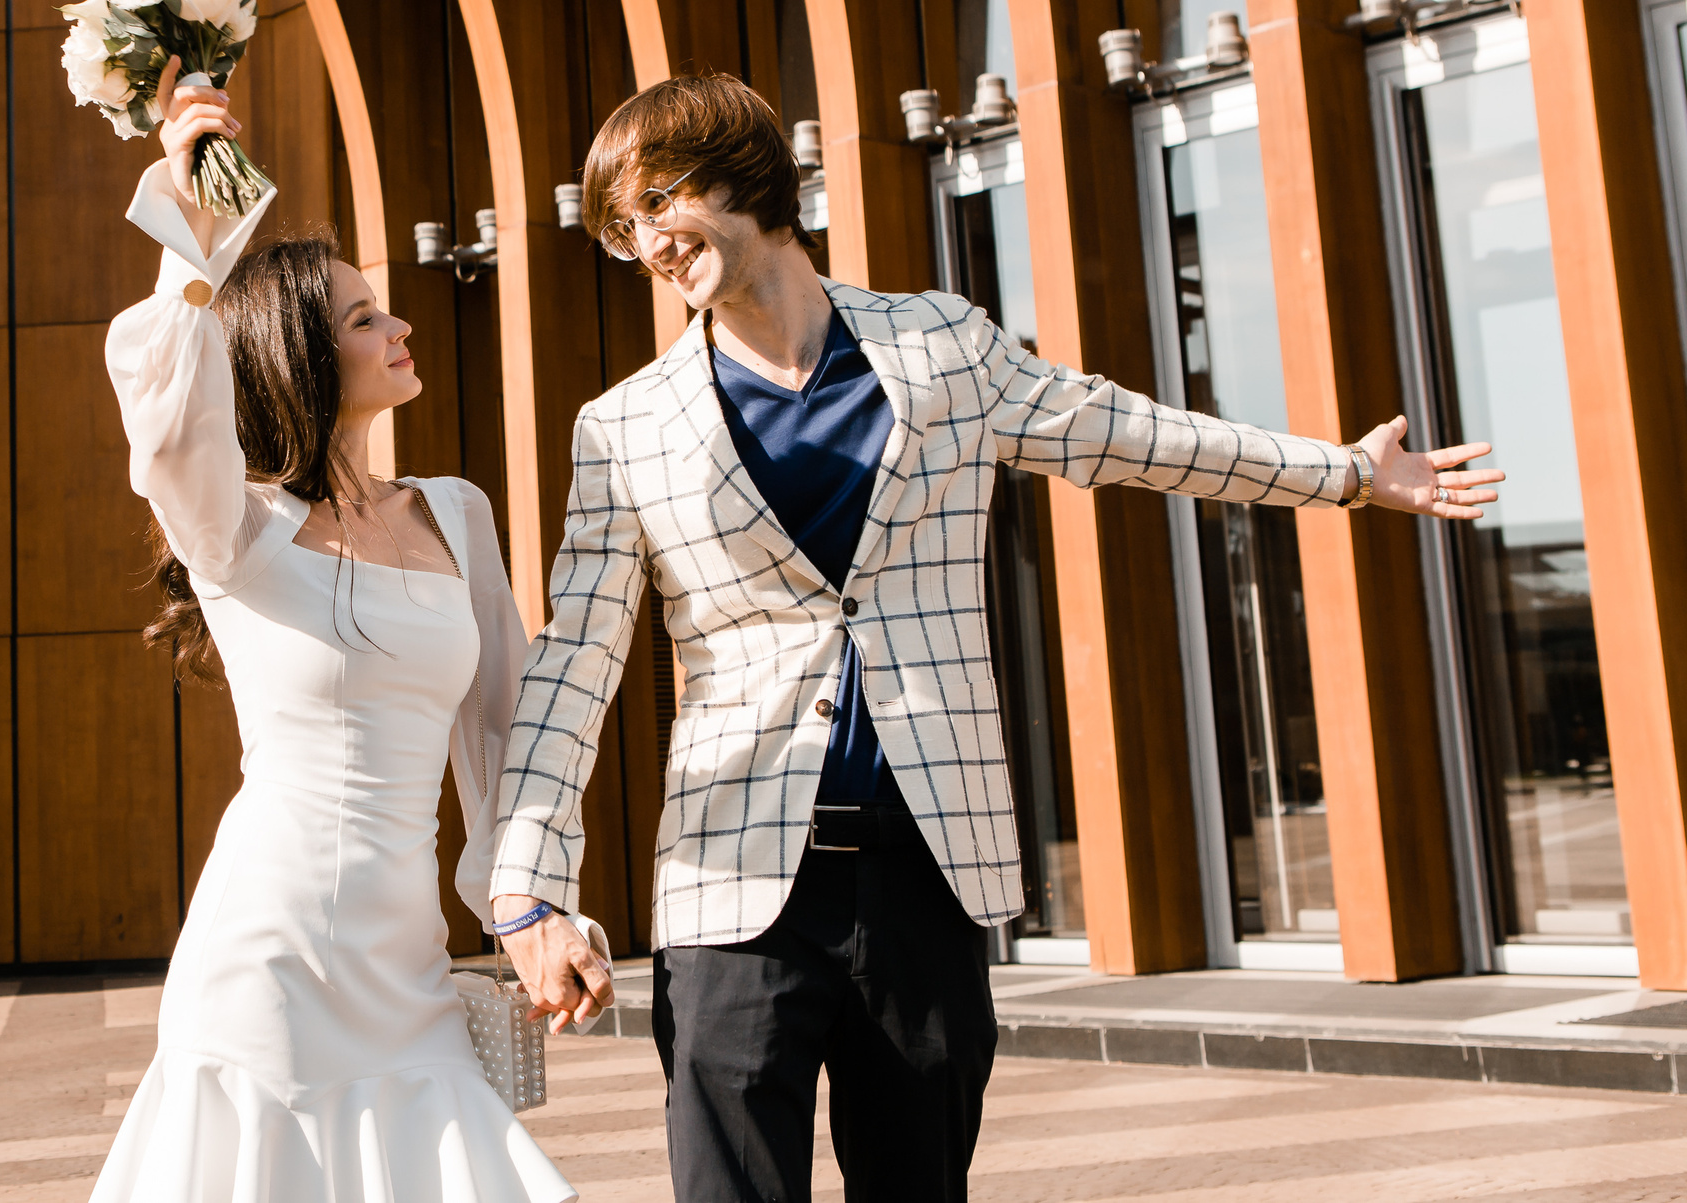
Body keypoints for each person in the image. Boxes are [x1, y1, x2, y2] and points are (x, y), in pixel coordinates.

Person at [484, 73, 1504, 1203]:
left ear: (742, 171)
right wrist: (527, 888)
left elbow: (1131, 434)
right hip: (732, 881)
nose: (647, 249)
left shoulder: (941, 350)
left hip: (927, 865)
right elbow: (574, 656)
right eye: (620, 232)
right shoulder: (624, 427)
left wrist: (1351, 474)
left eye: (656, 205)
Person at [92, 62, 581, 1203]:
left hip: (408, 964)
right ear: (304, 358)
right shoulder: (235, 527)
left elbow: (506, 737)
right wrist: (192, 236)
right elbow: (167, 432)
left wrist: (533, 904)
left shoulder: (456, 513)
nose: (402, 325)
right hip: (269, 957)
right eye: (367, 318)